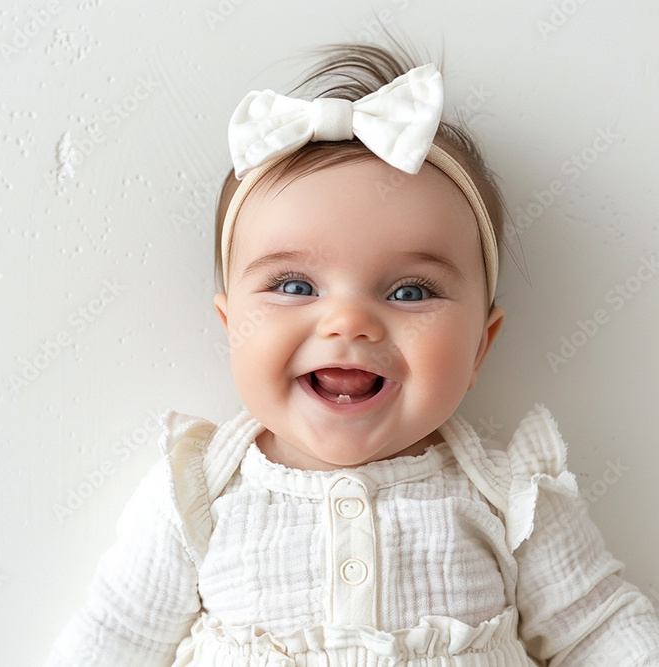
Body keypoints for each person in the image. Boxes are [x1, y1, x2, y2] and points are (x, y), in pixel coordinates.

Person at [45, 42, 659, 666]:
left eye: (409, 292)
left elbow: (596, 628)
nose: (348, 322)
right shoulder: (196, 495)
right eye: (294, 287)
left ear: (480, 346)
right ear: (232, 327)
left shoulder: (509, 499)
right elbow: (117, 637)